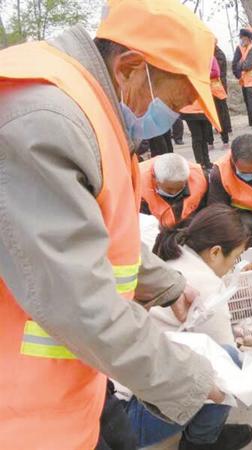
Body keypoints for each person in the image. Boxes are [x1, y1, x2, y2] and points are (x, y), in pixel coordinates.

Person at [0, 0, 228, 448]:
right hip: (24, 405)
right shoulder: (42, 120)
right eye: (173, 103)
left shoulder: (86, 104)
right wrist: (188, 380)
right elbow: (76, 299)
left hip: (75, 374)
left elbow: (97, 234)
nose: (171, 119)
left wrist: (167, 285)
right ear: (130, 68)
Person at [121, 204, 252, 449]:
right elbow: (224, 350)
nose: (232, 267)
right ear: (215, 252)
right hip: (129, 420)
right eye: (234, 259)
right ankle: (201, 442)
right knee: (230, 361)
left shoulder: (172, 256)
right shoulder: (207, 284)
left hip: (118, 400)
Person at [140, 153, 208, 227]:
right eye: (169, 189)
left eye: (180, 188)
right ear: (156, 180)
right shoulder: (137, 183)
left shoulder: (200, 178)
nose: (174, 193)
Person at [210, 51, 232, 148]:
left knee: (221, 116)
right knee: (209, 118)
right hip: (206, 92)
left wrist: (202, 74)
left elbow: (216, 72)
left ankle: (225, 140)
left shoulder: (211, 58)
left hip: (216, 92)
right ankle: (210, 142)